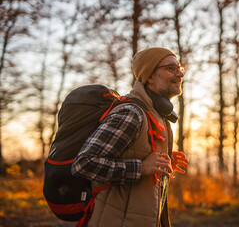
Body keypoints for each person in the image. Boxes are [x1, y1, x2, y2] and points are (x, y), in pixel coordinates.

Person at [71, 47, 189, 227]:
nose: (180, 74)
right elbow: (83, 164)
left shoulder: (155, 115)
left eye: (180, 68)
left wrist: (162, 162)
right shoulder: (131, 113)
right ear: (149, 76)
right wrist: (141, 168)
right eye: (171, 69)